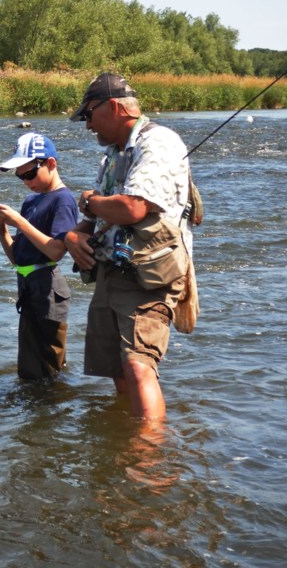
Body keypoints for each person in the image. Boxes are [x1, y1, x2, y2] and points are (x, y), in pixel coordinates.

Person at [63, 72, 194, 421]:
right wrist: (74, 235)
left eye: (88, 115)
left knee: (138, 367)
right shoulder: (111, 157)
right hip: (112, 271)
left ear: (116, 107)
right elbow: (92, 220)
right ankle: (128, 444)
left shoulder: (159, 142)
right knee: (119, 371)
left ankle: (148, 465)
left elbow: (132, 207)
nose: (87, 126)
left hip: (151, 273)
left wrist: (90, 202)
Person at [0, 133, 79, 381]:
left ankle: (55, 410)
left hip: (49, 288)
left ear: (50, 164)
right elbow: (17, 258)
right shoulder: (30, 201)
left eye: (30, 174)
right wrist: (1, 229)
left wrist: (18, 220)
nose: (26, 182)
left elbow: (57, 251)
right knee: (29, 368)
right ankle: (33, 409)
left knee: (48, 366)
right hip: (27, 286)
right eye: (20, 176)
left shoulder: (64, 200)